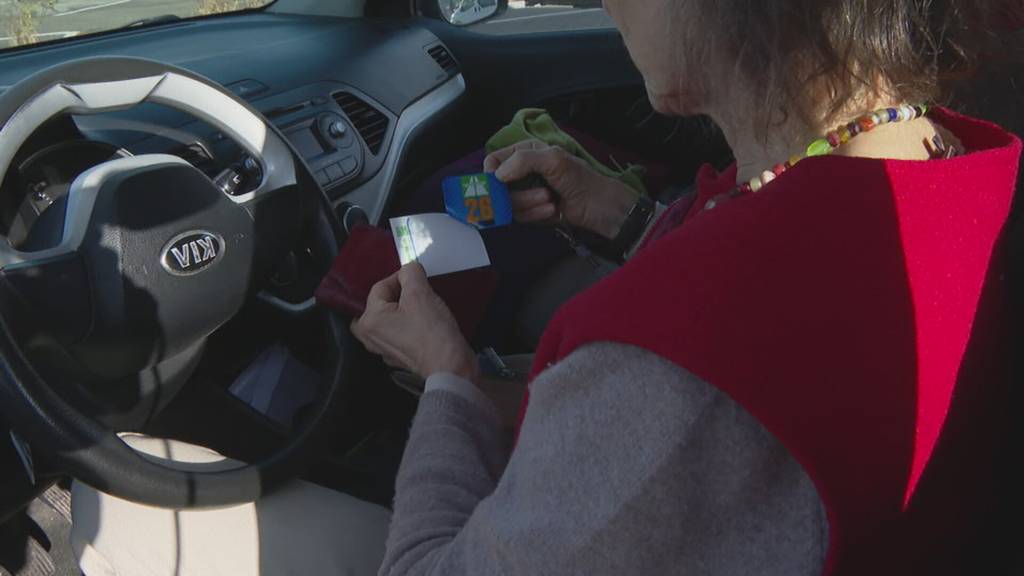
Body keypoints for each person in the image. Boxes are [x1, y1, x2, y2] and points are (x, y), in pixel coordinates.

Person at [72, 0, 1021, 575]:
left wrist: (444, 379)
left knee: (108, 497)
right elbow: (758, 362)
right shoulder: (961, 165)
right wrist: (630, 218)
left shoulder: (669, 353)